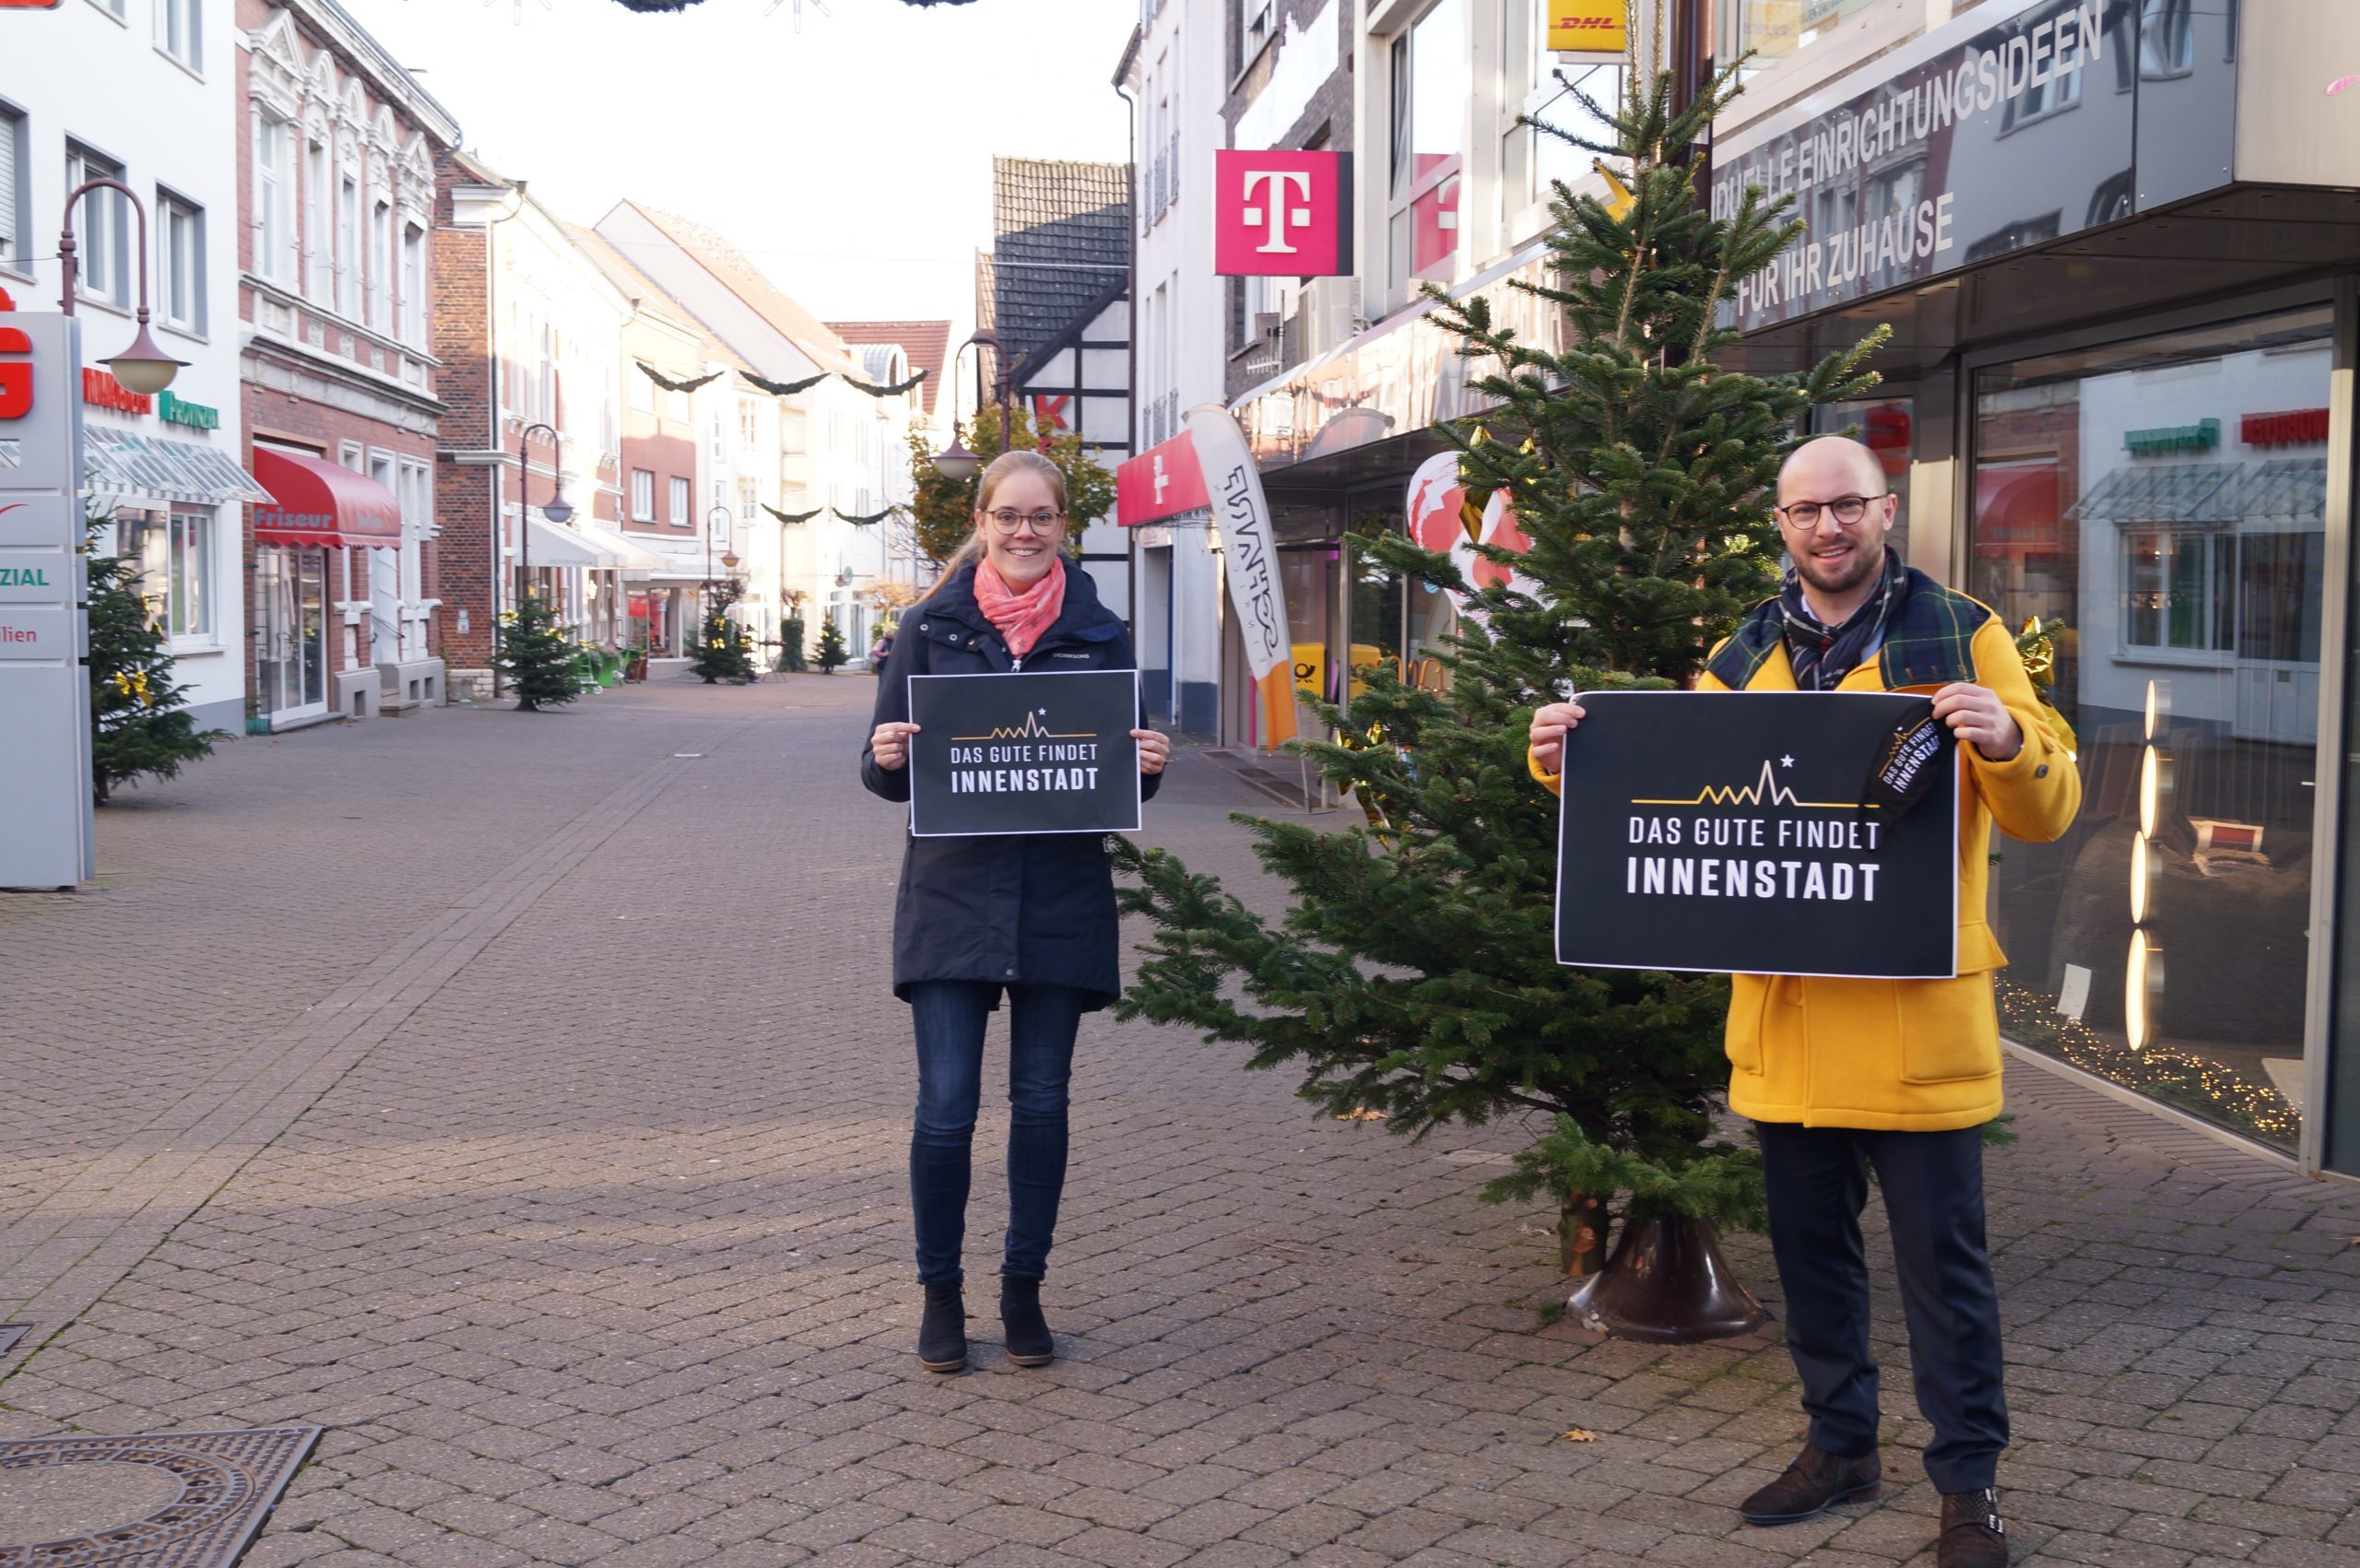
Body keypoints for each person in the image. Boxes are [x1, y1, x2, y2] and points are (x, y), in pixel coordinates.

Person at [1527, 436, 2079, 1568]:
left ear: (1884, 510)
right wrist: (1559, 760)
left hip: (1917, 1021)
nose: (1827, 529)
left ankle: (1968, 1488)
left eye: (1846, 507)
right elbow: (1660, 796)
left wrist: (2011, 740)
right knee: (1812, 1259)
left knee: (1945, 1271)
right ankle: (1839, 1447)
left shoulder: (1962, 634)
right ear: (1778, 525)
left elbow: (2047, 806)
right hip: (1787, 1029)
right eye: (1802, 513)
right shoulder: (1739, 657)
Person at [861, 450, 1170, 1375]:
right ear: (982, 520)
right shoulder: (929, 628)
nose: (1023, 531)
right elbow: (883, 778)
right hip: (952, 899)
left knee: (1041, 1106)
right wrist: (883, 754)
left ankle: (1022, 1287)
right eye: (1007, 515)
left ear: (1063, 524)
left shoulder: (1101, 635)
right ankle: (940, 1295)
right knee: (946, 1109)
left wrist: (1152, 763)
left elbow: (1117, 778)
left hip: (1060, 902)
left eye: (1040, 516)